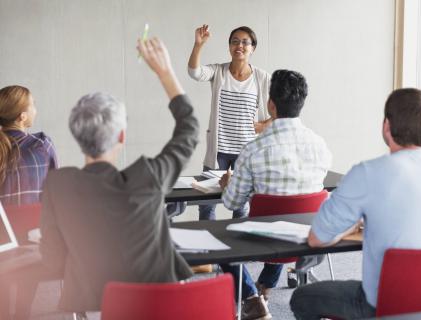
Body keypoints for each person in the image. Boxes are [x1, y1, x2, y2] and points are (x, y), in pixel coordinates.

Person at [39, 37, 199, 312]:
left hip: (94, 307)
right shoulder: (149, 175)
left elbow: (53, 260)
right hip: (160, 309)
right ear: (122, 136)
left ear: (77, 136)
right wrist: (165, 73)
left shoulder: (58, 185)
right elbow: (190, 129)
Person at [290, 88, 421, 320]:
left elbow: (317, 238)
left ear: (386, 126)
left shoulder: (367, 173)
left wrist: (350, 226)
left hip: (389, 306)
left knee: (302, 298)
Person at [219, 69, 332, 320]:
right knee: (283, 221)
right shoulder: (320, 146)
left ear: (271, 105)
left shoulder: (253, 149)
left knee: (222, 238)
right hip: (311, 241)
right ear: (302, 104)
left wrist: (228, 183)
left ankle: (251, 298)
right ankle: (264, 288)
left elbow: (232, 202)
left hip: (267, 241)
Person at [188, 24, 272, 220]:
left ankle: (238, 249)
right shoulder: (219, 72)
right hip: (218, 152)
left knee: (241, 206)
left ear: (253, 48)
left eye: (245, 42)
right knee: (207, 204)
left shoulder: (262, 77)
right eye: (235, 42)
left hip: (246, 153)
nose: (239, 46)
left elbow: (282, 110)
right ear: (229, 47)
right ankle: (206, 248)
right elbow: (194, 72)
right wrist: (198, 45)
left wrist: (263, 125)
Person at [0, 85, 58, 205]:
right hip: (34, 223)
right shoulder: (41, 144)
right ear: (23, 116)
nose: (35, 110)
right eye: (33, 105)